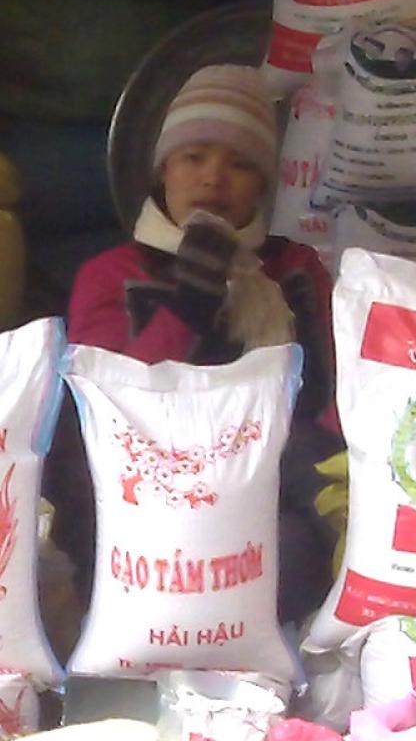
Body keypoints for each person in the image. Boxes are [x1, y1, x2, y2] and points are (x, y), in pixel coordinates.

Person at [54, 64, 341, 622]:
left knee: (299, 551)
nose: (214, 179)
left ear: (263, 184)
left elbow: (330, 396)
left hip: (273, 491)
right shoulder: (111, 274)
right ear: (163, 171)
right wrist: (192, 299)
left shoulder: (296, 270)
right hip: (150, 497)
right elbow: (113, 408)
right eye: (194, 158)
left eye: (239, 164)